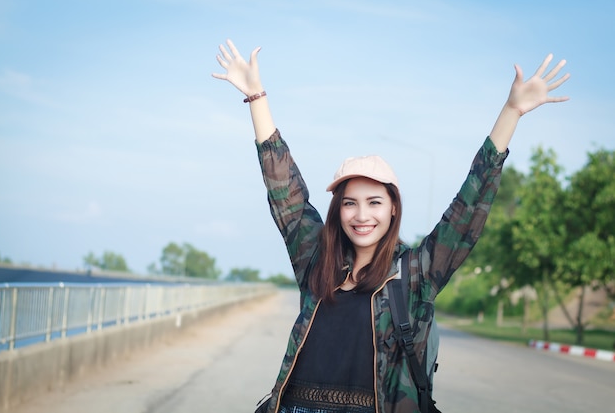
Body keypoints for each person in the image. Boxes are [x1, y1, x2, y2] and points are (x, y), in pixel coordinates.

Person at [212, 39, 569, 413]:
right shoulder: (316, 259)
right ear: (338, 210)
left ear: (393, 209)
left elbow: (470, 205)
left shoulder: (416, 272)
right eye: (350, 203)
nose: (361, 215)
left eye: (374, 203)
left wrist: (511, 111)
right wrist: (256, 97)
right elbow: (285, 191)